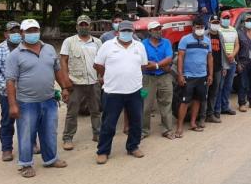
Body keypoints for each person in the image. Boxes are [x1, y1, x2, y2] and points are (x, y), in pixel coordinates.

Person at [5, 19, 71, 178]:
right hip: (26, 102)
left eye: (35, 30)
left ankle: (50, 159)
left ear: (39, 31)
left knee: (49, 131)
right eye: (28, 31)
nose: (32, 33)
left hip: (49, 100)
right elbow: (10, 81)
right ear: (22, 33)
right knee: (26, 133)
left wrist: (64, 88)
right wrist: (12, 105)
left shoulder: (49, 49)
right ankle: (26, 164)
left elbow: (57, 70)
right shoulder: (15, 55)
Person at [94, 21, 149, 164]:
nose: (126, 33)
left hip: (134, 91)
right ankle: (103, 151)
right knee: (108, 124)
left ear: (133, 32)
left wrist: (131, 76)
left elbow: (143, 65)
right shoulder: (107, 46)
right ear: (117, 32)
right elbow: (98, 65)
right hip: (113, 91)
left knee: (136, 121)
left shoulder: (139, 46)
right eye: (123, 30)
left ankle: (133, 146)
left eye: (129, 31)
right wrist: (107, 77)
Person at [60, 15, 102, 150]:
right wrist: (65, 80)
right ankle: (68, 137)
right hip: (75, 82)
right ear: (77, 26)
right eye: (81, 25)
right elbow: (63, 61)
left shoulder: (97, 42)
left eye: (86, 25)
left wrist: (101, 76)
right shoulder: (69, 41)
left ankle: (97, 133)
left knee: (95, 110)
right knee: (72, 112)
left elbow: (102, 61)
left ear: (90, 26)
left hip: (93, 82)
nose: (84, 27)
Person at [0, 21, 25, 162]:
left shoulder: (27, 47)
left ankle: (31, 144)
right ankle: (7, 149)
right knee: (7, 121)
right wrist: (8, 88)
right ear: (6, 34)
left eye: (18, 31)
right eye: (12, 31)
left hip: (26, 92)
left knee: (29, 119)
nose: (15, 34)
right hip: (6, 94)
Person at [175, 17, 213, 136]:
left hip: (202, 76)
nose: (200, 29)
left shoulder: (207, 41)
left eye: (202, 27)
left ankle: (192, 123)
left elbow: (210, 58)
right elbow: (180, 57)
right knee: (185, 101)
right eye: (197, 27)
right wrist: (180, 75)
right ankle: (179, 127)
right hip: (189, 76)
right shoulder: (185, 40)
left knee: (197, 100)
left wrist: (210, 74)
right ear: (193, 28)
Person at [141, 21, 174, 140]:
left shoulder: (166, 42)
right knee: (145, 105)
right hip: (147, 78)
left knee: (166, 104)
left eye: (160, 28)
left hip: (164, 77)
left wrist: (155, 65)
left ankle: (167, 130)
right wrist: (161, 64)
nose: (158, 31)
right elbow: (144, 62)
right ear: (149, 31)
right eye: (155, 29)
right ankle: (144, 131)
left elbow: (169, 59)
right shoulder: (143, 44)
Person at [198, 15, 224, 126]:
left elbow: (222, 52)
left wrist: (224, 67)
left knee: (214, 92)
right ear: (209, 23)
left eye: (217, 22)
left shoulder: (220, 35)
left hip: (218, 68)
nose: (216, 24)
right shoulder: (204, 35)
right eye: (213, 22)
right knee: (204, 93)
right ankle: (202, 117)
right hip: (205, 69)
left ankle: (210, 114)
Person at [214, 11, 240, 117]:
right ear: (220, 18)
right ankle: (217, 108)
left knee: (228, 86)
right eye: (224, 17)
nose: (226, 19)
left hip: (232, 62)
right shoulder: (217, 30)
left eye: (228, 17)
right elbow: (220, 48)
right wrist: (226, 58)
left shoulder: (233, 29)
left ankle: (225, 106)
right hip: (222, 62)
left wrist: (233, 55)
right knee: (219, 86)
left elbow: (237, 44)